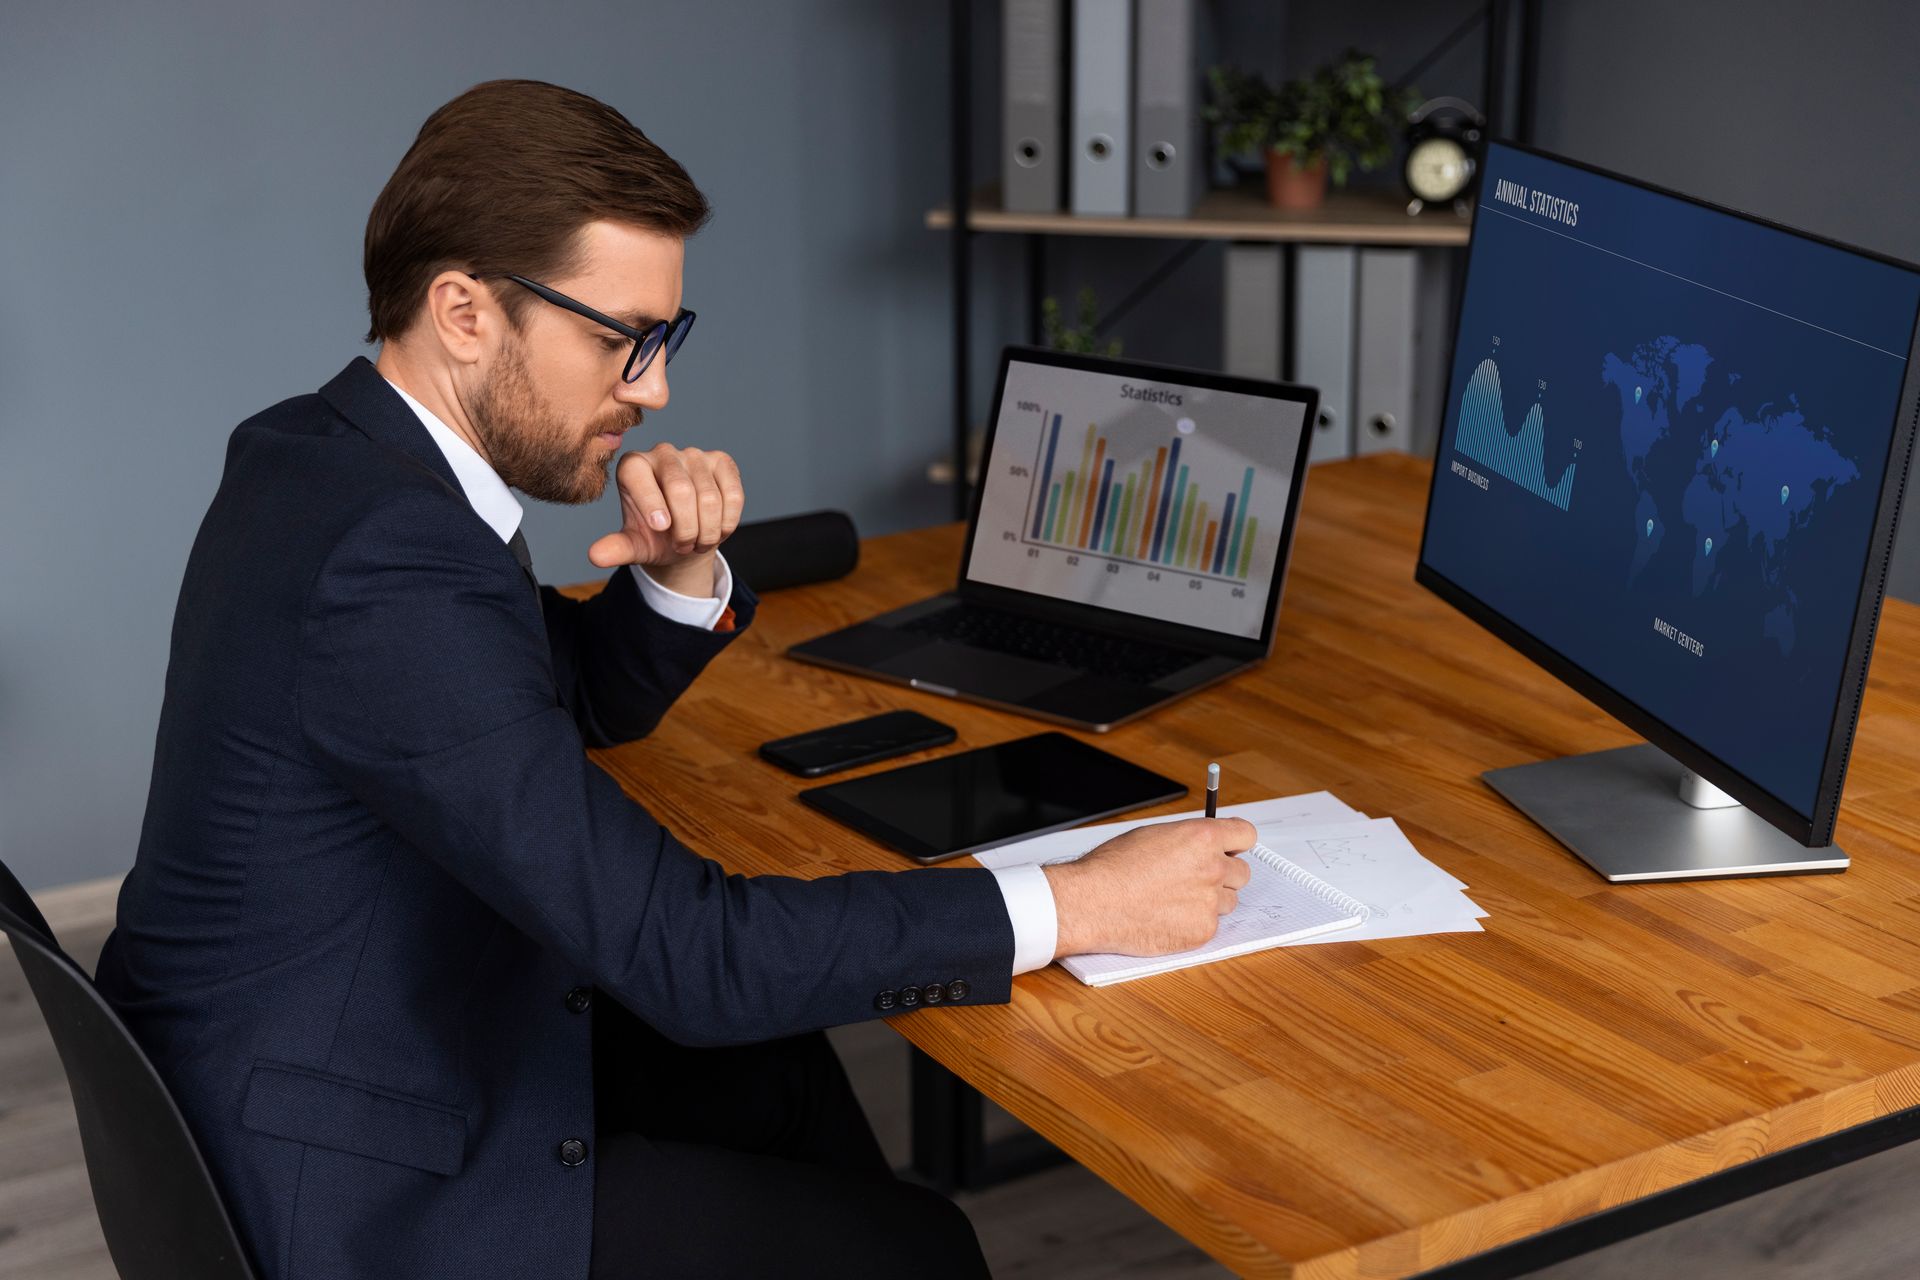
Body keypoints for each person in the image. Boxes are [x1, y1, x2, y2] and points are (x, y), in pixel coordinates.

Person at [91, 78, 1255, 1279]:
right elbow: (686, 954)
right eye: (618, 338)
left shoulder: (324, 453)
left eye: (664, 338)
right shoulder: (390, 561)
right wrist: (1078, 904)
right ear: (463, 310)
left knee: (779, 1067)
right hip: (360, 1184)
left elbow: (532, 701)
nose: (652, 388)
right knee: (919, 1246)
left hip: (317, 1050)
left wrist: (680, 574)